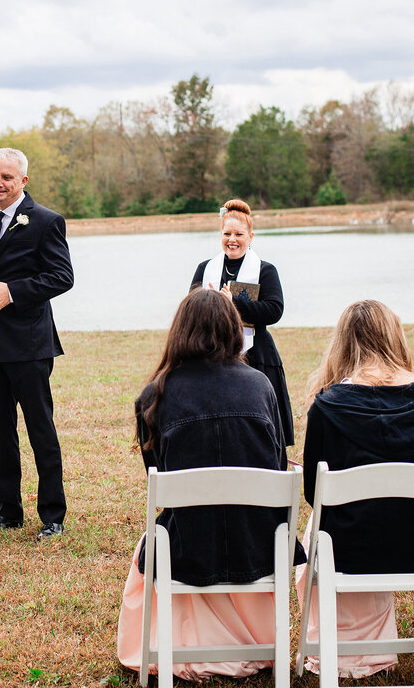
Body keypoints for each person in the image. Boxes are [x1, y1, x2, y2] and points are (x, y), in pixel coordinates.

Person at [116, 288, 292, 680]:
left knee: (157, 537)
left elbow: (156, 474)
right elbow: (277, 464)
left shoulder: (154, 395)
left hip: (187, 548)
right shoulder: (261, 386)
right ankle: (248, 643)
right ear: (233, 329)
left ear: (180, 331)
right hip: (257, 544)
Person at [297, 299, 414, 678]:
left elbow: (312, 491)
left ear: (343, 344)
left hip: (350, 552)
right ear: (393, 337)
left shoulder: (328, 406)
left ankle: (338, 644)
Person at [0, 147, 74, 540]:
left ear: (23, 181)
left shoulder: (46, 221)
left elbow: (61, 277)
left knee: (40, 429)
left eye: (7, 178)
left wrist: (12, 291)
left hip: (29, 343)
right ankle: (8, 509)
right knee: (0, 429)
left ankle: (52, 514)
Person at [191, 198, 294, 446]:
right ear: (220, 235)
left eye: (239, 234)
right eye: (227, 234)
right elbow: (191, 308)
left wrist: (232, 303)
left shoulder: (265, 270)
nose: (232, 240)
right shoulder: (205, 268)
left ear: (251, 236)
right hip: (211, 352)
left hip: (256, 352)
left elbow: (274, 310)